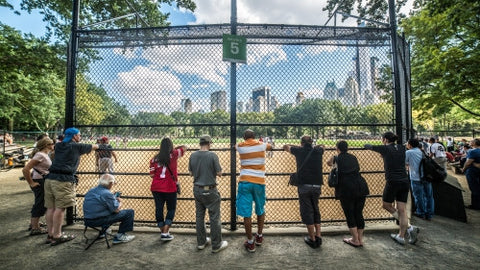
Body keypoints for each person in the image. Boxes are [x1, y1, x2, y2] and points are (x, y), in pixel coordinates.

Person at [44, 127, 99, 246]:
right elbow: (95, 146)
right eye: (79, 135)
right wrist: (95, 146)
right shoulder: (76, 146)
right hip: (63, 180)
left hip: (50, 178)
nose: (80, 137)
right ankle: (57, 236)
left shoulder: (58, 146)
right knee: (60, 208)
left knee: (50, 208)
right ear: (74, 136)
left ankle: (50, 234)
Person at [364, 132, 419, 245]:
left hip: (393, 181)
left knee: (386, 205)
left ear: (385, 139)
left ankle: (408, 228)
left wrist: (382, 150)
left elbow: (367, 145)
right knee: (402, 210)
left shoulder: (385, 149)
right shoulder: (402, 147)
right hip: (404, 180)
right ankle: (402, 235)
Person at [188, 135, 228, 253]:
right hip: (210, 190)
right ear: (209, 143)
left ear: (200, 143)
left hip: (197, 189)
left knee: (199, 216)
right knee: (214, 217)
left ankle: (201, 242)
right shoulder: (212, 155)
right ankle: (216, 245)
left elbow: (191, 173)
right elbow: (219, 173)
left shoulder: (193, 155)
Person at [284, 135, 325, 248]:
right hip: (317, 184)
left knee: (307, 210)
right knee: (315, 209)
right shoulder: (318, 151)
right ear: (311, 142)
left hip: (304, 185)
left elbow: (285, 146)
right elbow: (323, 146)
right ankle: (318, 236)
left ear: (301, 143)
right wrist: (314, 146)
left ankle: (312, 238)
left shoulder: (298, 150)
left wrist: (297, 146)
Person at [327, 140, 369, 248]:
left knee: (349, 213)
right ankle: (360, 239)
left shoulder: (336, 158)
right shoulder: (353, 157)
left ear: (337, 148)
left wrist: (335, 156)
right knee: (358, 213)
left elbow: (329, 163)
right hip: (360, 186)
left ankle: (355, 240)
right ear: (347, 148)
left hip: (346, 188)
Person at [236, 129, 272, 252]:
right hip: (259, 182)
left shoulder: (240, 146)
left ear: (244, 137)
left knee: (247, 213)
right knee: (260, 209)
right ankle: (260, 236)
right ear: (255, 136)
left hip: (245, 181)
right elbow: (270, 147)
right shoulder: (261, 145)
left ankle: (250, 241)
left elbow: (234, 146)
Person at [149, 137, 186, 241]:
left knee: (159, 208)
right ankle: (165, 232)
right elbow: (185, 147)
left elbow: (152, 175)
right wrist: (175, 148)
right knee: (171, 208)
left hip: (156, 187)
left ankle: (163, 231)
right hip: (170, 186)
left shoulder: (153, 159)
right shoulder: (174, 154)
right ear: (171, 146)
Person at [83, 174, 135, 244]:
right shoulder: (107, 194)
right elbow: (116, 210)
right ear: (110, 183)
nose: (113, 185)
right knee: (129, 212)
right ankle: (120, 236)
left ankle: (104, 231)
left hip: (87, 220)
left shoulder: (91, 190)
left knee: (105, 210)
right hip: (98, 220)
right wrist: (120, 202)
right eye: (113, 183)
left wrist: (112, 198)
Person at [22, 137, 55, 235]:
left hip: (42, 179)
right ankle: (35, 227)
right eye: (52, 143)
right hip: (39, 180)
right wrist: (31, 182)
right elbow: (25, 169)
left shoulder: (44, 154)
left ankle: (34, 223)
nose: (53, 145)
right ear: (47, 145)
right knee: (40, 203)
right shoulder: (40, 155)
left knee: (40, 202)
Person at [406, 138, 434, 220]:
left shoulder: (409, 152)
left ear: (410, 145)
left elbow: (405, 163)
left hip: (416, 177)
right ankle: (429, 214)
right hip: (426, 176)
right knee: (428, 196)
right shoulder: (421, 151)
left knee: (418, 196)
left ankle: (421, 212)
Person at [462, 139, 480, 210]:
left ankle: (475, 205)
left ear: (475, 143)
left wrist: (463, 169)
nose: (470, 142)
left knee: (474, 188)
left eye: (471, 141)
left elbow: (468, 162)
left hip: (472, 172)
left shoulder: (472, 151)